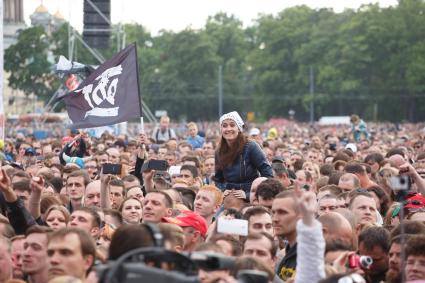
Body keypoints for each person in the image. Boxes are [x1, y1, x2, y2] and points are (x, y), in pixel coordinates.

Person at [214, 111, 273, 199]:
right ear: (221, 129)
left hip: (250, 196)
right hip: (229, 197)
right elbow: (218, 180)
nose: (228, 129)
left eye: (232, 125)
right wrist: (223, 190)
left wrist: (250, 194)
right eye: (224, 125)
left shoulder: (251, 146)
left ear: (239, 128)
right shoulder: (219, 151)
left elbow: (268, 174)